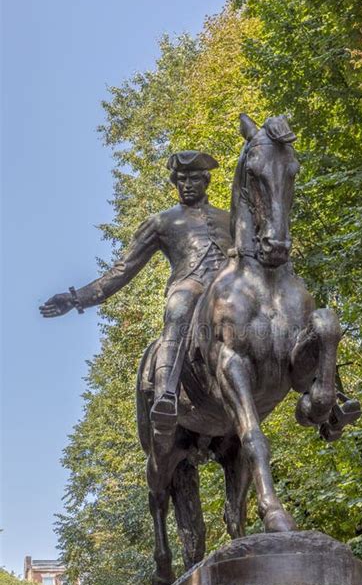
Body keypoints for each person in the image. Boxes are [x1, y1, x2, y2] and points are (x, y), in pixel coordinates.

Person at [40, 151, 232, 430]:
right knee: (179, 308)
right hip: (191, 284)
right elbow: (122, 269)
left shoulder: (230, 218)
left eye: (192, 178)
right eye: (180, 180)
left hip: (230, 289)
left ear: (206, 180)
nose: (186, 184)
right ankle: (166, 393)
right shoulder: (162, 222)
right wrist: (75, 298)